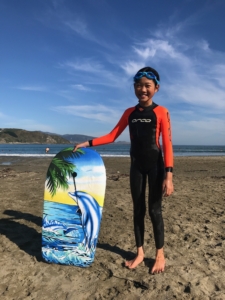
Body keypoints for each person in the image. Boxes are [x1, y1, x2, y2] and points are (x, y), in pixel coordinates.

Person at [73, 67, 174, 274]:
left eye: (147, 85)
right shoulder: (129, 113)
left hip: (156, 166)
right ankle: (139, 253)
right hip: (136, 166)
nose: (142, 89)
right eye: (138, 85)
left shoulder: (161, 111)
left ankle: (160, 255)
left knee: (155, 210)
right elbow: (112, 136)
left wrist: (169, 175)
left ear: (156, 88)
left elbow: (168, 144)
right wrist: (88, 143)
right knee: (138, 210)